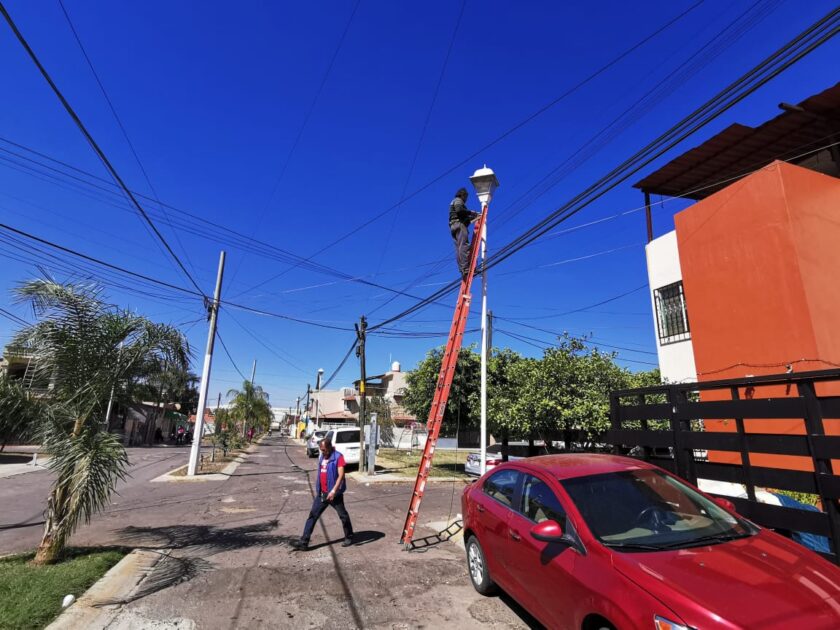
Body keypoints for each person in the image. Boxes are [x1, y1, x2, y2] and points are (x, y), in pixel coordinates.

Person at [291, 437, 354, 550]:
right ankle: (304, 542)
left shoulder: (338, 457)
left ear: (330, 447)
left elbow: (341, 476)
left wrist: (334, 491)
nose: (323, 452)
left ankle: (349, 536)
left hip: (335, 494)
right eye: (321, 450)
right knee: (312, 516)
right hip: (322, 494)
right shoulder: (322, 457)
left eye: (324, 450)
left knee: (343, 516)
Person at [449, 187, 480, 281]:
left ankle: (463, 269)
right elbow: (459, 210)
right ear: (463, 195)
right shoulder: (458, 201)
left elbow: (463, 216)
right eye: (466, 197)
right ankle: (466, 268)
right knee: (464, 246)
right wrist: (471, 212)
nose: (466, 200)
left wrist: (472, 217)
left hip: (453, 226)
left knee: (459, 248)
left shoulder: (453, 202)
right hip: (459, 225)